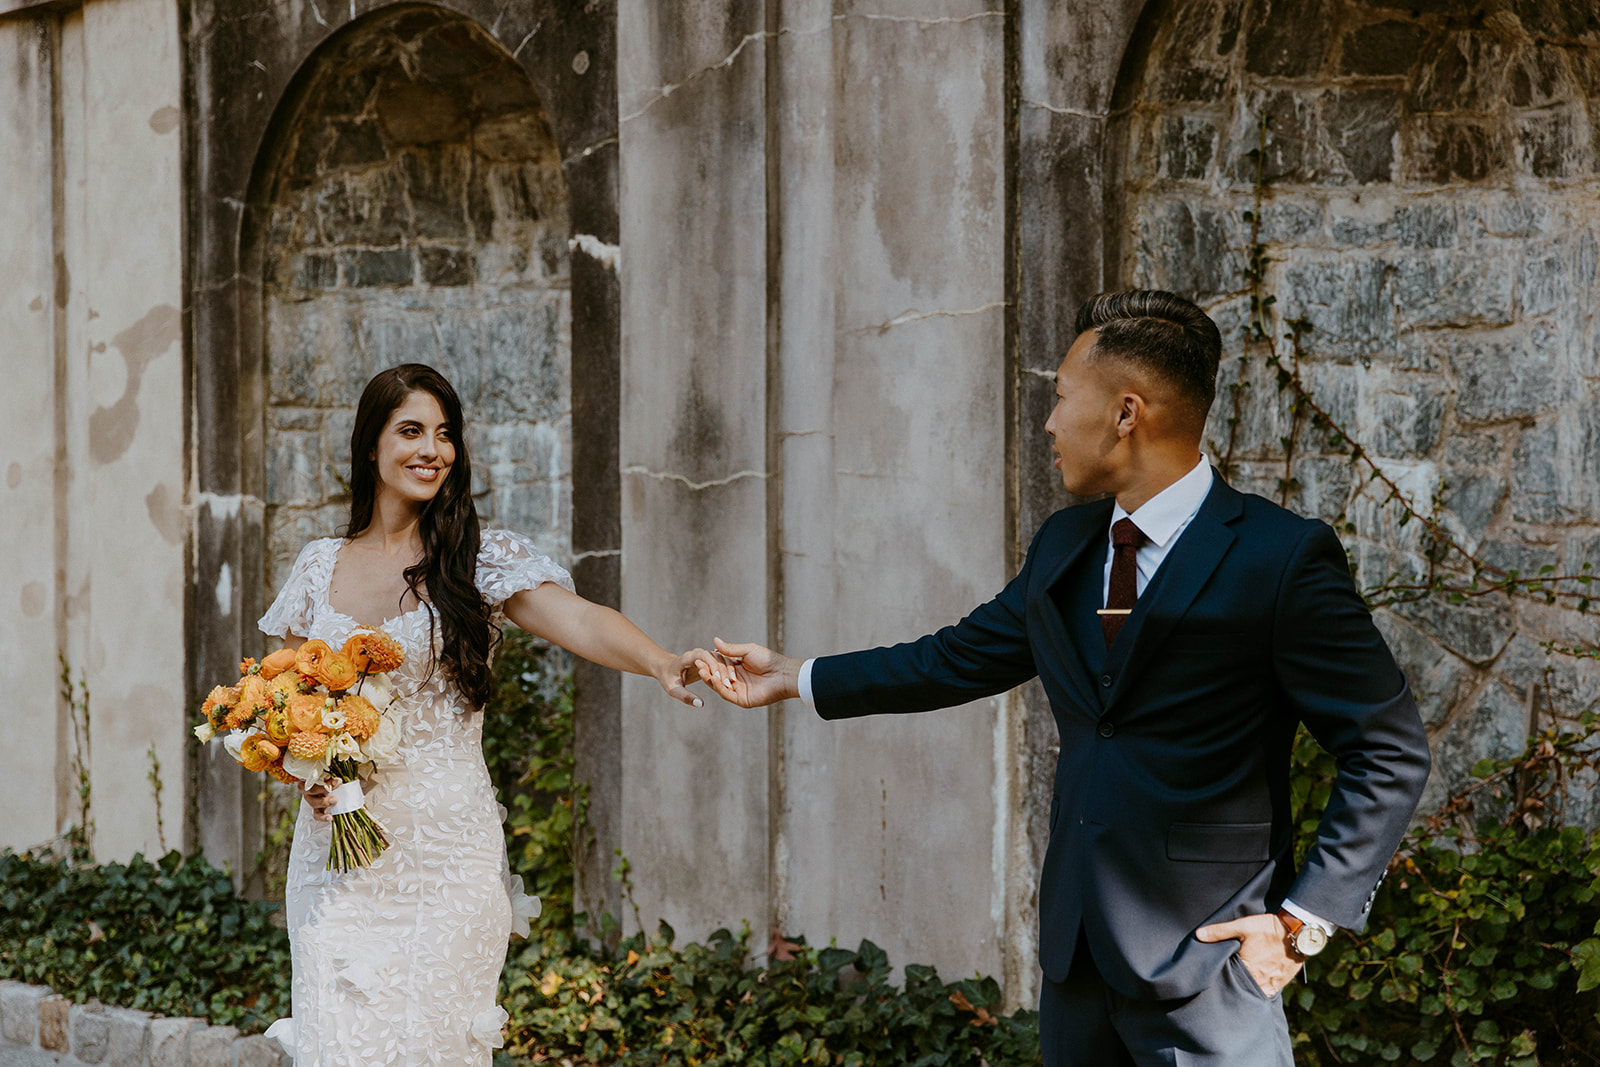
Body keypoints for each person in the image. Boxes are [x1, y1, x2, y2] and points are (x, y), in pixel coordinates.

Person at [695, 290, 1432, 1066]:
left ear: (1126, 412)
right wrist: (795, 676)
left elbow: (1388, 748)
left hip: (1213, 972)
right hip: (1076, 965)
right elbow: (954, 657)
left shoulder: (1280, 559)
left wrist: (1300, 922)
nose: (1048, 422)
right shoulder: (1065, 545)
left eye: (1059, 396)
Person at [259, 363, 708, 1066]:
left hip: (446, 856)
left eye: (445, 434)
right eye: (411, 430)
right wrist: (306, 770)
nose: (431, 449)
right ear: (371, 446)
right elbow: (283, 702)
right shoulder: (319, 567)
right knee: (338, 1043)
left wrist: (659, 662)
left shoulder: (478, 557)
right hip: (336, 863)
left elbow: (583, 621)